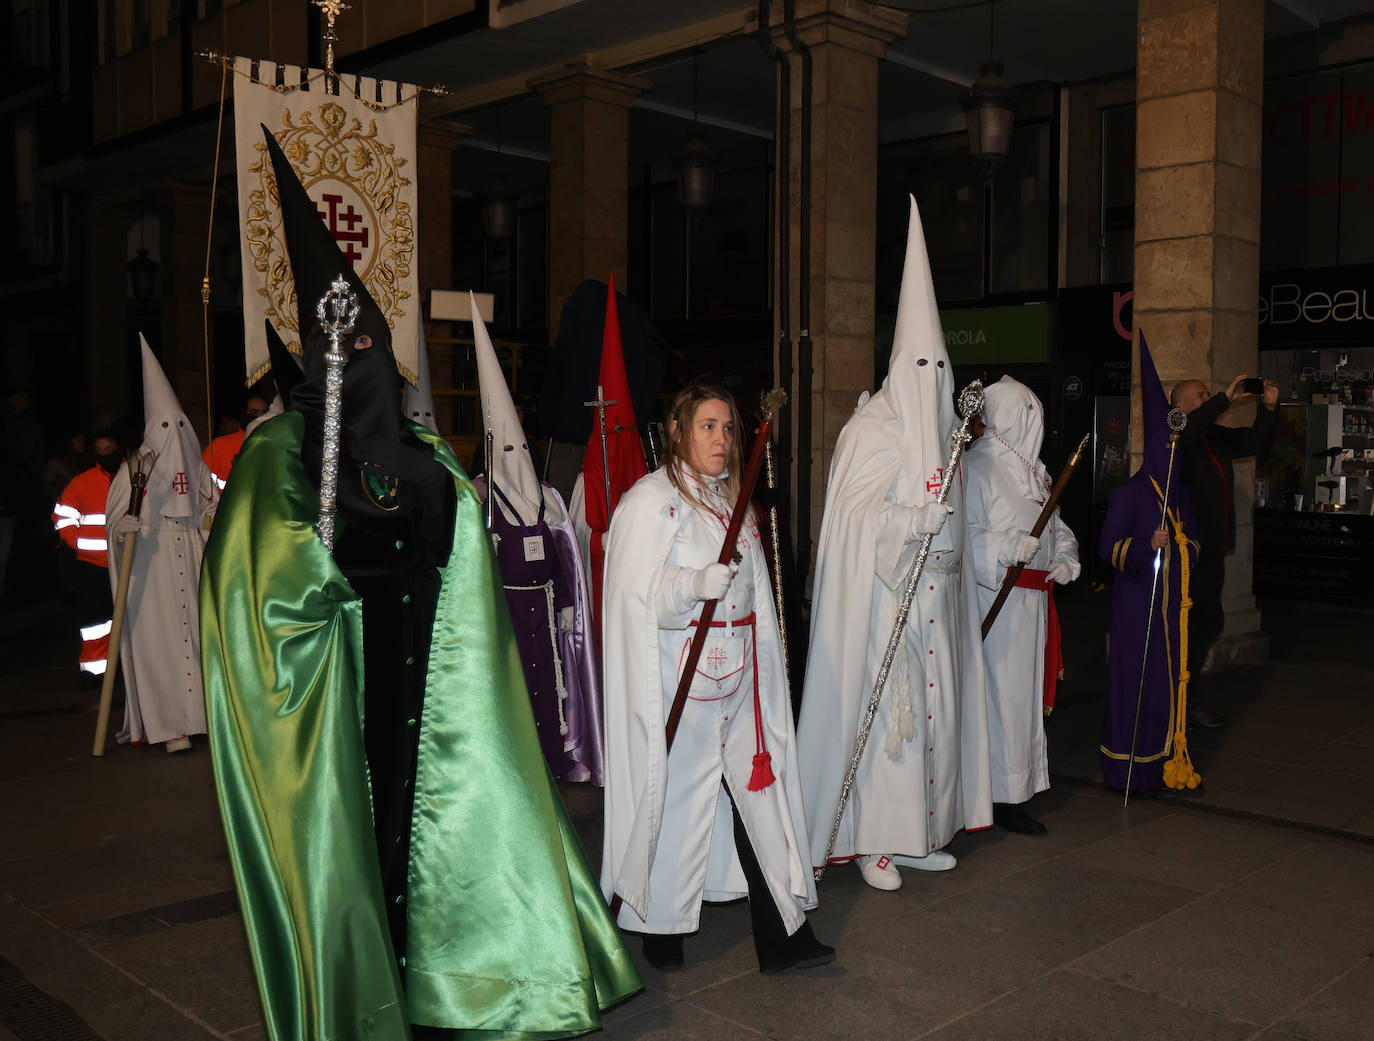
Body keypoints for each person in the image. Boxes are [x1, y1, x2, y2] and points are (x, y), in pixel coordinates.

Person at [200, 126, 638, 1041]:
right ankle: (363, 994)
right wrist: (315, 559)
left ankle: (442, 979)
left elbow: (455, 540)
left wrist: (416, 481)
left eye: (373, 343)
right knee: (353, 845)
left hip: (426, 674)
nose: (363, 360)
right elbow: (259, 584)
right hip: (340, 685)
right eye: (345, 346)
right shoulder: (279, 454)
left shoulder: (425, 447)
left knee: (419, 837)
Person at [601, 382, 833, 973]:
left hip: (740, 687)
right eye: (709, 426)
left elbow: (754, 592)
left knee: (762, 804)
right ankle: (661, 929)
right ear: (678, 431)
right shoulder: (649, 501)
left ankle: (784, 936)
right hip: (683, 684)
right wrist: (690, 586)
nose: (723, 440)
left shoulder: (733, 502)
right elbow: (637, 594)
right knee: (674, 803)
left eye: (729, 428)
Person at [796, 196, 992, 892]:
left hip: (938, 598)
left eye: (940, 366)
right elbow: (849, 522)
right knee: (891, 722)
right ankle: (875, 839)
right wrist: (908, 521)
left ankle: (919, 834)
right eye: (920, 365)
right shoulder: (871, 429)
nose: (932, 381)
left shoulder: (949, 432)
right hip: (885, 601)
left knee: (935, 719)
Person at [470, 293, 605, 784]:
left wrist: (568, 601)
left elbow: (566, 557)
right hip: (505, 610)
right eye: (505, 447)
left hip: (544, 610)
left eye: (519, 445)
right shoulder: (480, 497)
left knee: (549, 687)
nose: (514, 452)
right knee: (511, 687)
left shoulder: (548, 495)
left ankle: (552, 756)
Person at [964, 377, 1080, 835]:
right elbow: (958, 539)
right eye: (1024, 411)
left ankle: (1018, 789)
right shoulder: (977, 468)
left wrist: (1066, 554)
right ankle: (997, 796)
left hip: (1034, 603)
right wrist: (1005, 545)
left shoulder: (1038, 472)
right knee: (1001, 699)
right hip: (998, 600)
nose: (1034, 421)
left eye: (1036, 411)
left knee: (1025, 700)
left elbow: (1056, 524)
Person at [1099, 332, 1203, 793]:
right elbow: (1109, 548)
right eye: (1169, 451)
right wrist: (1148, 546)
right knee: (1136, 685)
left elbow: (1196, 543)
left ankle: (1165, 759)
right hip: (1137, 608)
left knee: (1167, 686)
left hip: (1172, 610)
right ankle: (1129, 768)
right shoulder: (1130, 494)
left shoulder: (1179, 496)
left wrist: (1179, 545)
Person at [106, 339, 215, 752]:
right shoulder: (135, 470)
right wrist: (122, 529)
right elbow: (115, 519)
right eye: (165, 427)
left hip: (193, 559)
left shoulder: (200, 470)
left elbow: (212, 508)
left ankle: (203, 716)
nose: (175, 436)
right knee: (161, 646)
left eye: (181, 426)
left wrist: (211, 522)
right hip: (151, 571)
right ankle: (171, 726)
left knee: (201, 640)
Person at [1169, 372, 1278, 727]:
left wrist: (1268, 409)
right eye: (1201, 395)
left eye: (1207, 394)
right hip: (1189, 551)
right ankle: (1179, 699)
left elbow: (1253, 442)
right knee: (1190, 625)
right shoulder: (1177, 435)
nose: (1208, 397)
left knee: (1208, 622)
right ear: (1181, 406)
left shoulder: (1214, 435)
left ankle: (1187, 694)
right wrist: (1225, 397)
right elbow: (1188, 429)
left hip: (1214, 547)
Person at [52, 431, 121, 680]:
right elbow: (62, 516)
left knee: (130, 620)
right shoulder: (82, 482)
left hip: (130, 565)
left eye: (109, 447)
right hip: (92, 567)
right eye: (99, 449)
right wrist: (78, 544)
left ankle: (127, 672)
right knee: (95, 624)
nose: (104, 453)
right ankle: (95, 673)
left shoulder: (135, 480)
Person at [202, 394, 269, 492]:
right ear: (244, 413)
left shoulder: (276, 443)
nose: (260, 416)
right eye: (254, 412)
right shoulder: (219, 445)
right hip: (227, 504)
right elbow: (203, 480)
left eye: (264, 413)